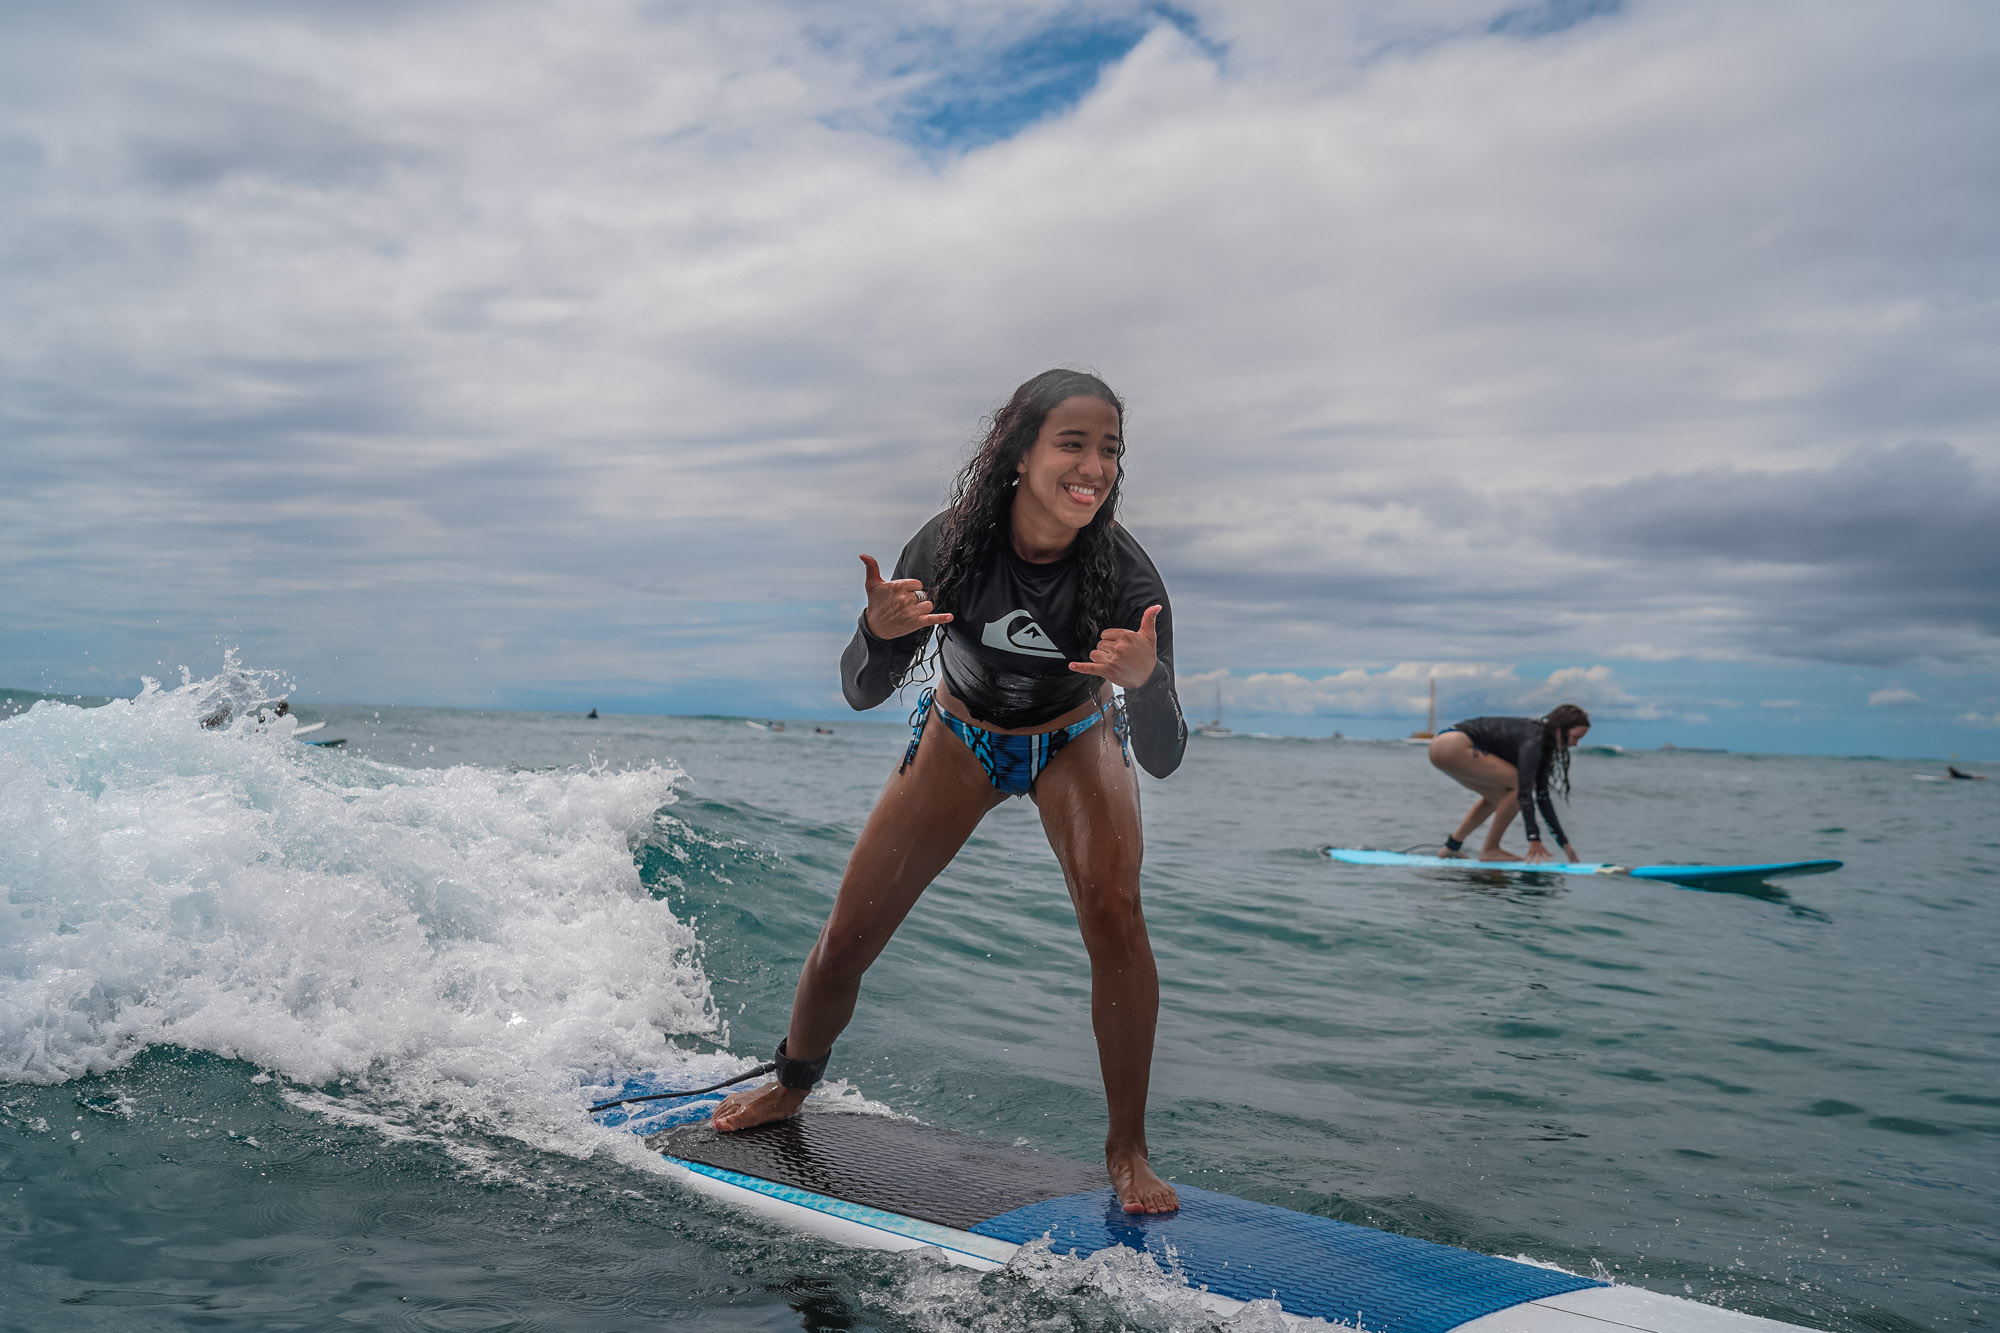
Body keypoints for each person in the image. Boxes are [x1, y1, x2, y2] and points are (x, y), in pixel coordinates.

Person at [710, 369, 1187, 1215]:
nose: (1094, 467)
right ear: (1020, 453)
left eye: (1109, 449)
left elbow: (1164, 755)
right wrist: (875, 630)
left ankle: (1127, 1147)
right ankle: (791, 1080)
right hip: (960, 736)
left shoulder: (1128, 579)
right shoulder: (947, 547)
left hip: (1075, 737)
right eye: (1072, 444)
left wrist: (1146, 682)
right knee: (848, 934)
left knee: (1116, 912)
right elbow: (862, 690)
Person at [1427, 705, 1590, 864]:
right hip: (1454, 744)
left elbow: (1542, 797)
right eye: (1575, 737)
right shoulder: (1534, 740)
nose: (1575, 744)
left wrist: (1565, 844)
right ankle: (1490, 849)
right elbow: (1524, 791)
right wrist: (1534, 838)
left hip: (1440, 745)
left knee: (1496, 797)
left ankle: (1452, 846)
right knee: (1517, 785)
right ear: (1559, 729)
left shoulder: (1541, 743)